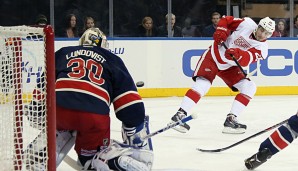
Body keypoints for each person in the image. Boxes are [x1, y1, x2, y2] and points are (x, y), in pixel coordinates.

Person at [26, 28, 154, 170]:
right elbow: (130, 105)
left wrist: (36, 111)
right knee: (87, 160)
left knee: (61, 127)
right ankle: (109, 160)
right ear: (103, 45)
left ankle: (43, 154)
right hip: (94, 117)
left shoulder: (63, 52)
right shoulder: (112, 59)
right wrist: (134, 126)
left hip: (60, 110)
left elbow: (43, 86)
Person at [169, 16, 275, 134]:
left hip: (230, 66)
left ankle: (231, 119)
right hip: (214, 56)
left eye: (267, 33)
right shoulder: (247, 24)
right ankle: (179, 115)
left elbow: (248, 58)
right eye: (261, 30)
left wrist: (238, 54)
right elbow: (226, 20)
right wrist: (221, 31)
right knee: (204, 83)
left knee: (250, 87)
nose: (262, 35)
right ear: (258, 26)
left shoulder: (263, 49)